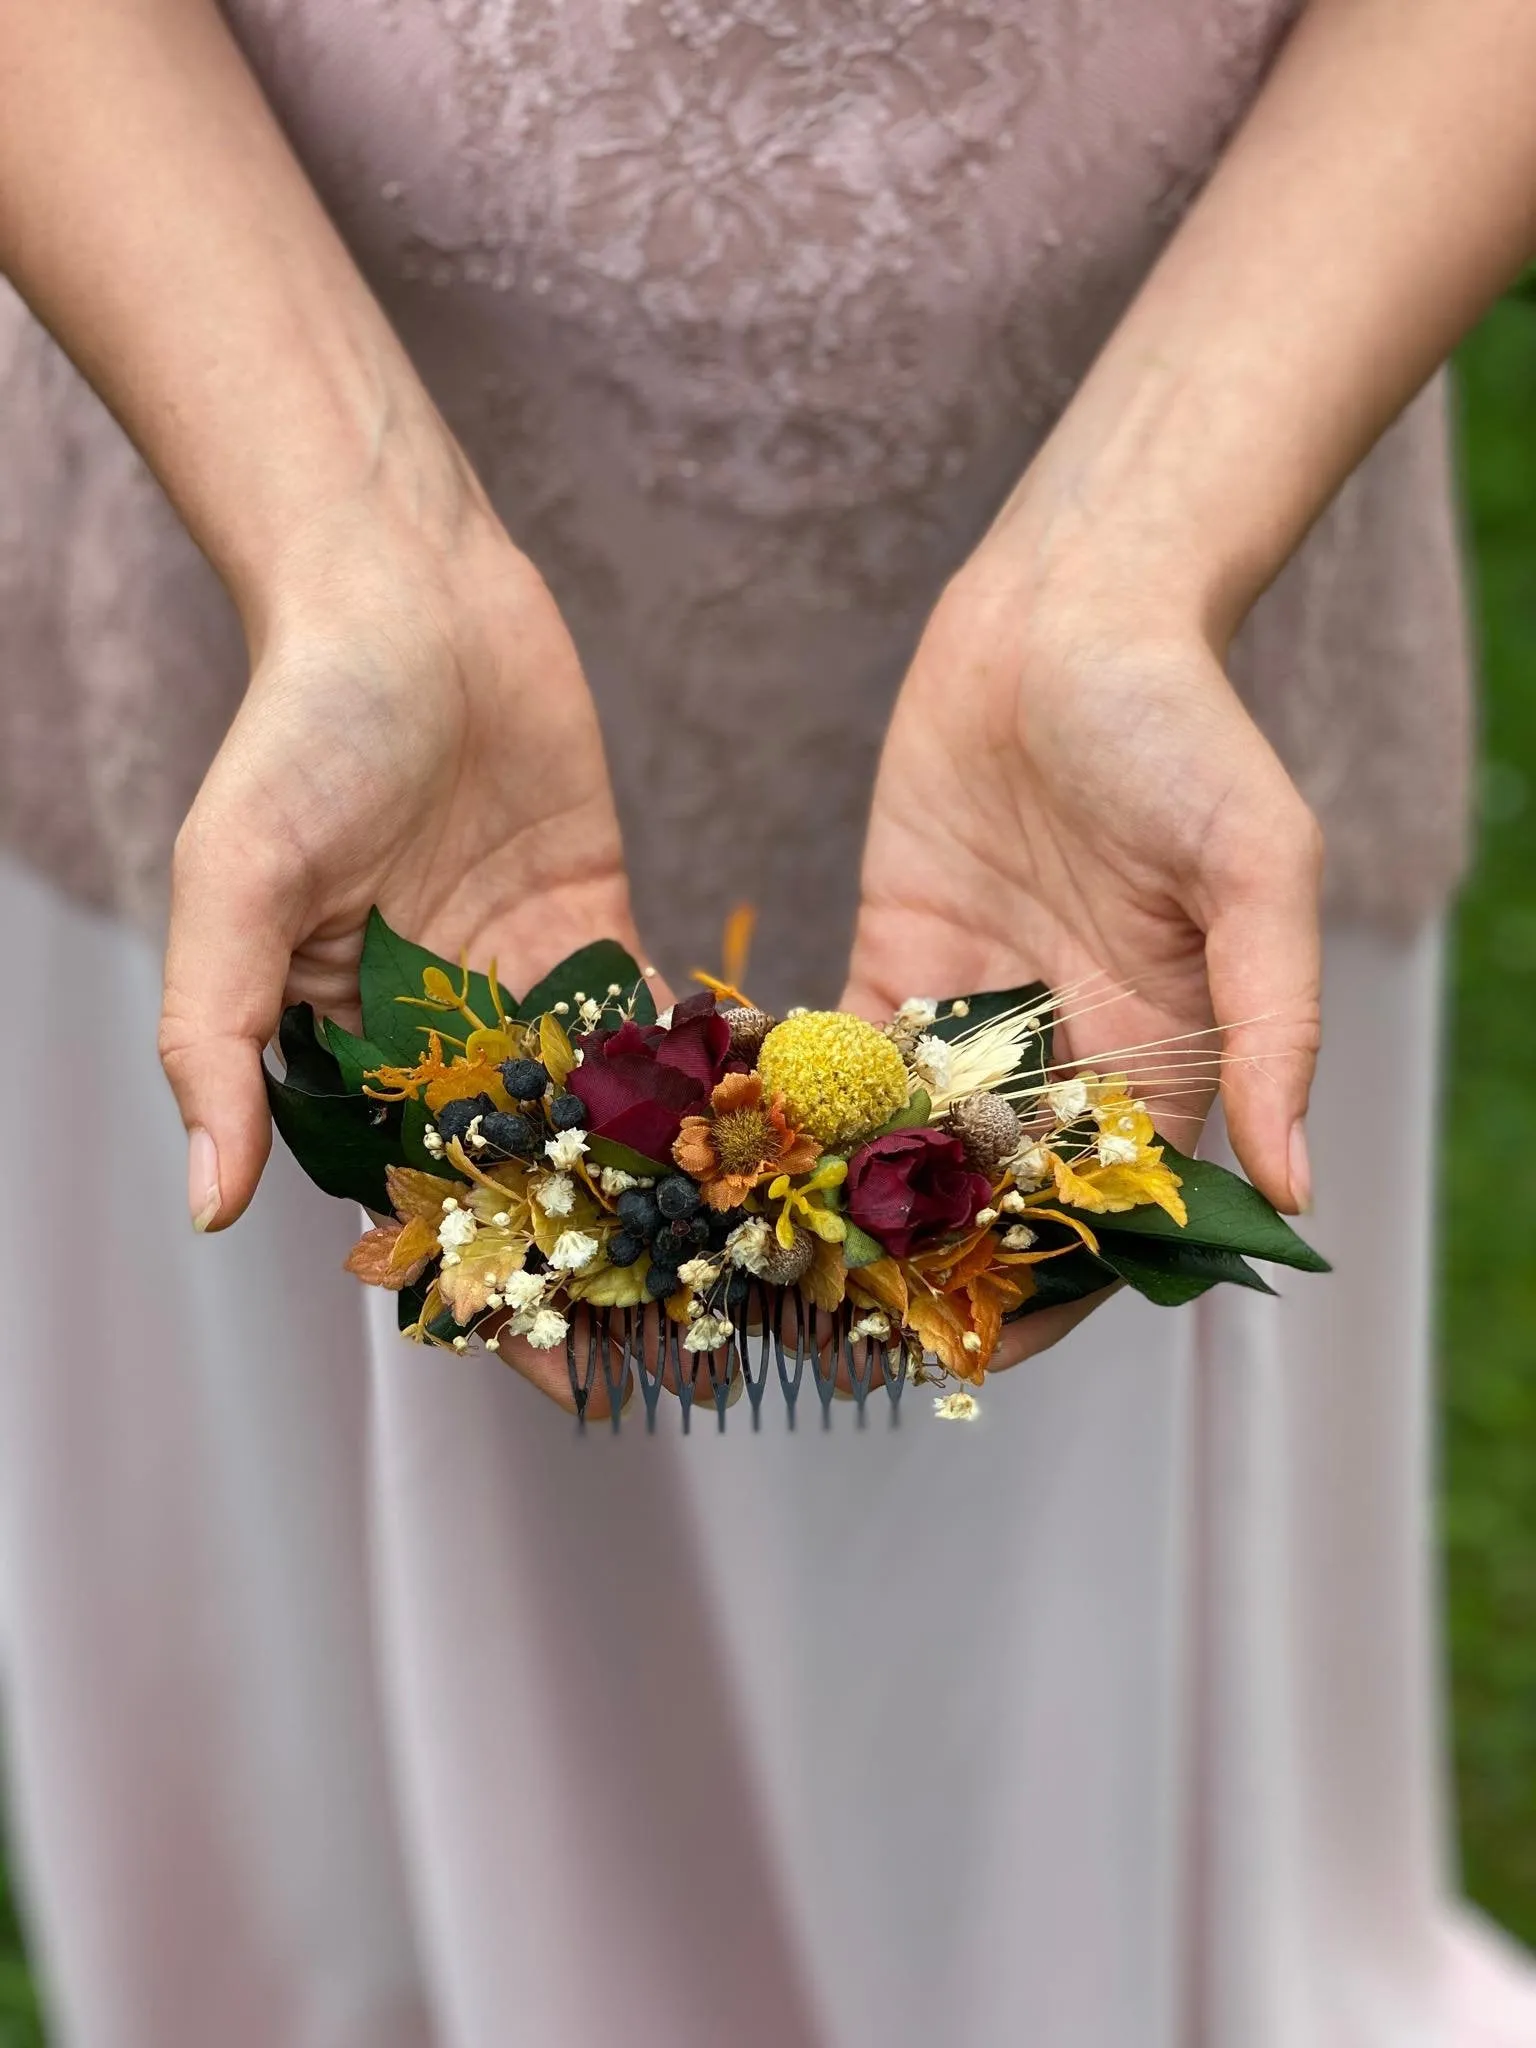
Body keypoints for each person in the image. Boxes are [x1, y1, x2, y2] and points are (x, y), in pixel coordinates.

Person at [0, 1, 1533, 2042]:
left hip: (1208, 392)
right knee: (353, 1661)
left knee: (1021, 1682)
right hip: (235, 381)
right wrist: (343, 531)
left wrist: (1143, 547)